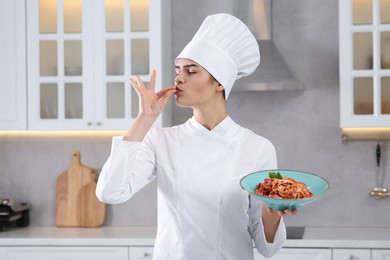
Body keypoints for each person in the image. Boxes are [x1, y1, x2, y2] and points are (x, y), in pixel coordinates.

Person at [96, 13, 297, 260]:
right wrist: (144, 120)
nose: (179, 78)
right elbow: (110, 192)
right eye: (178, 70)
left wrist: (273, 211)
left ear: (219, 83)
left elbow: (268, 248)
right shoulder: (160, 141)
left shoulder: (258, 148)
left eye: (191, 71)